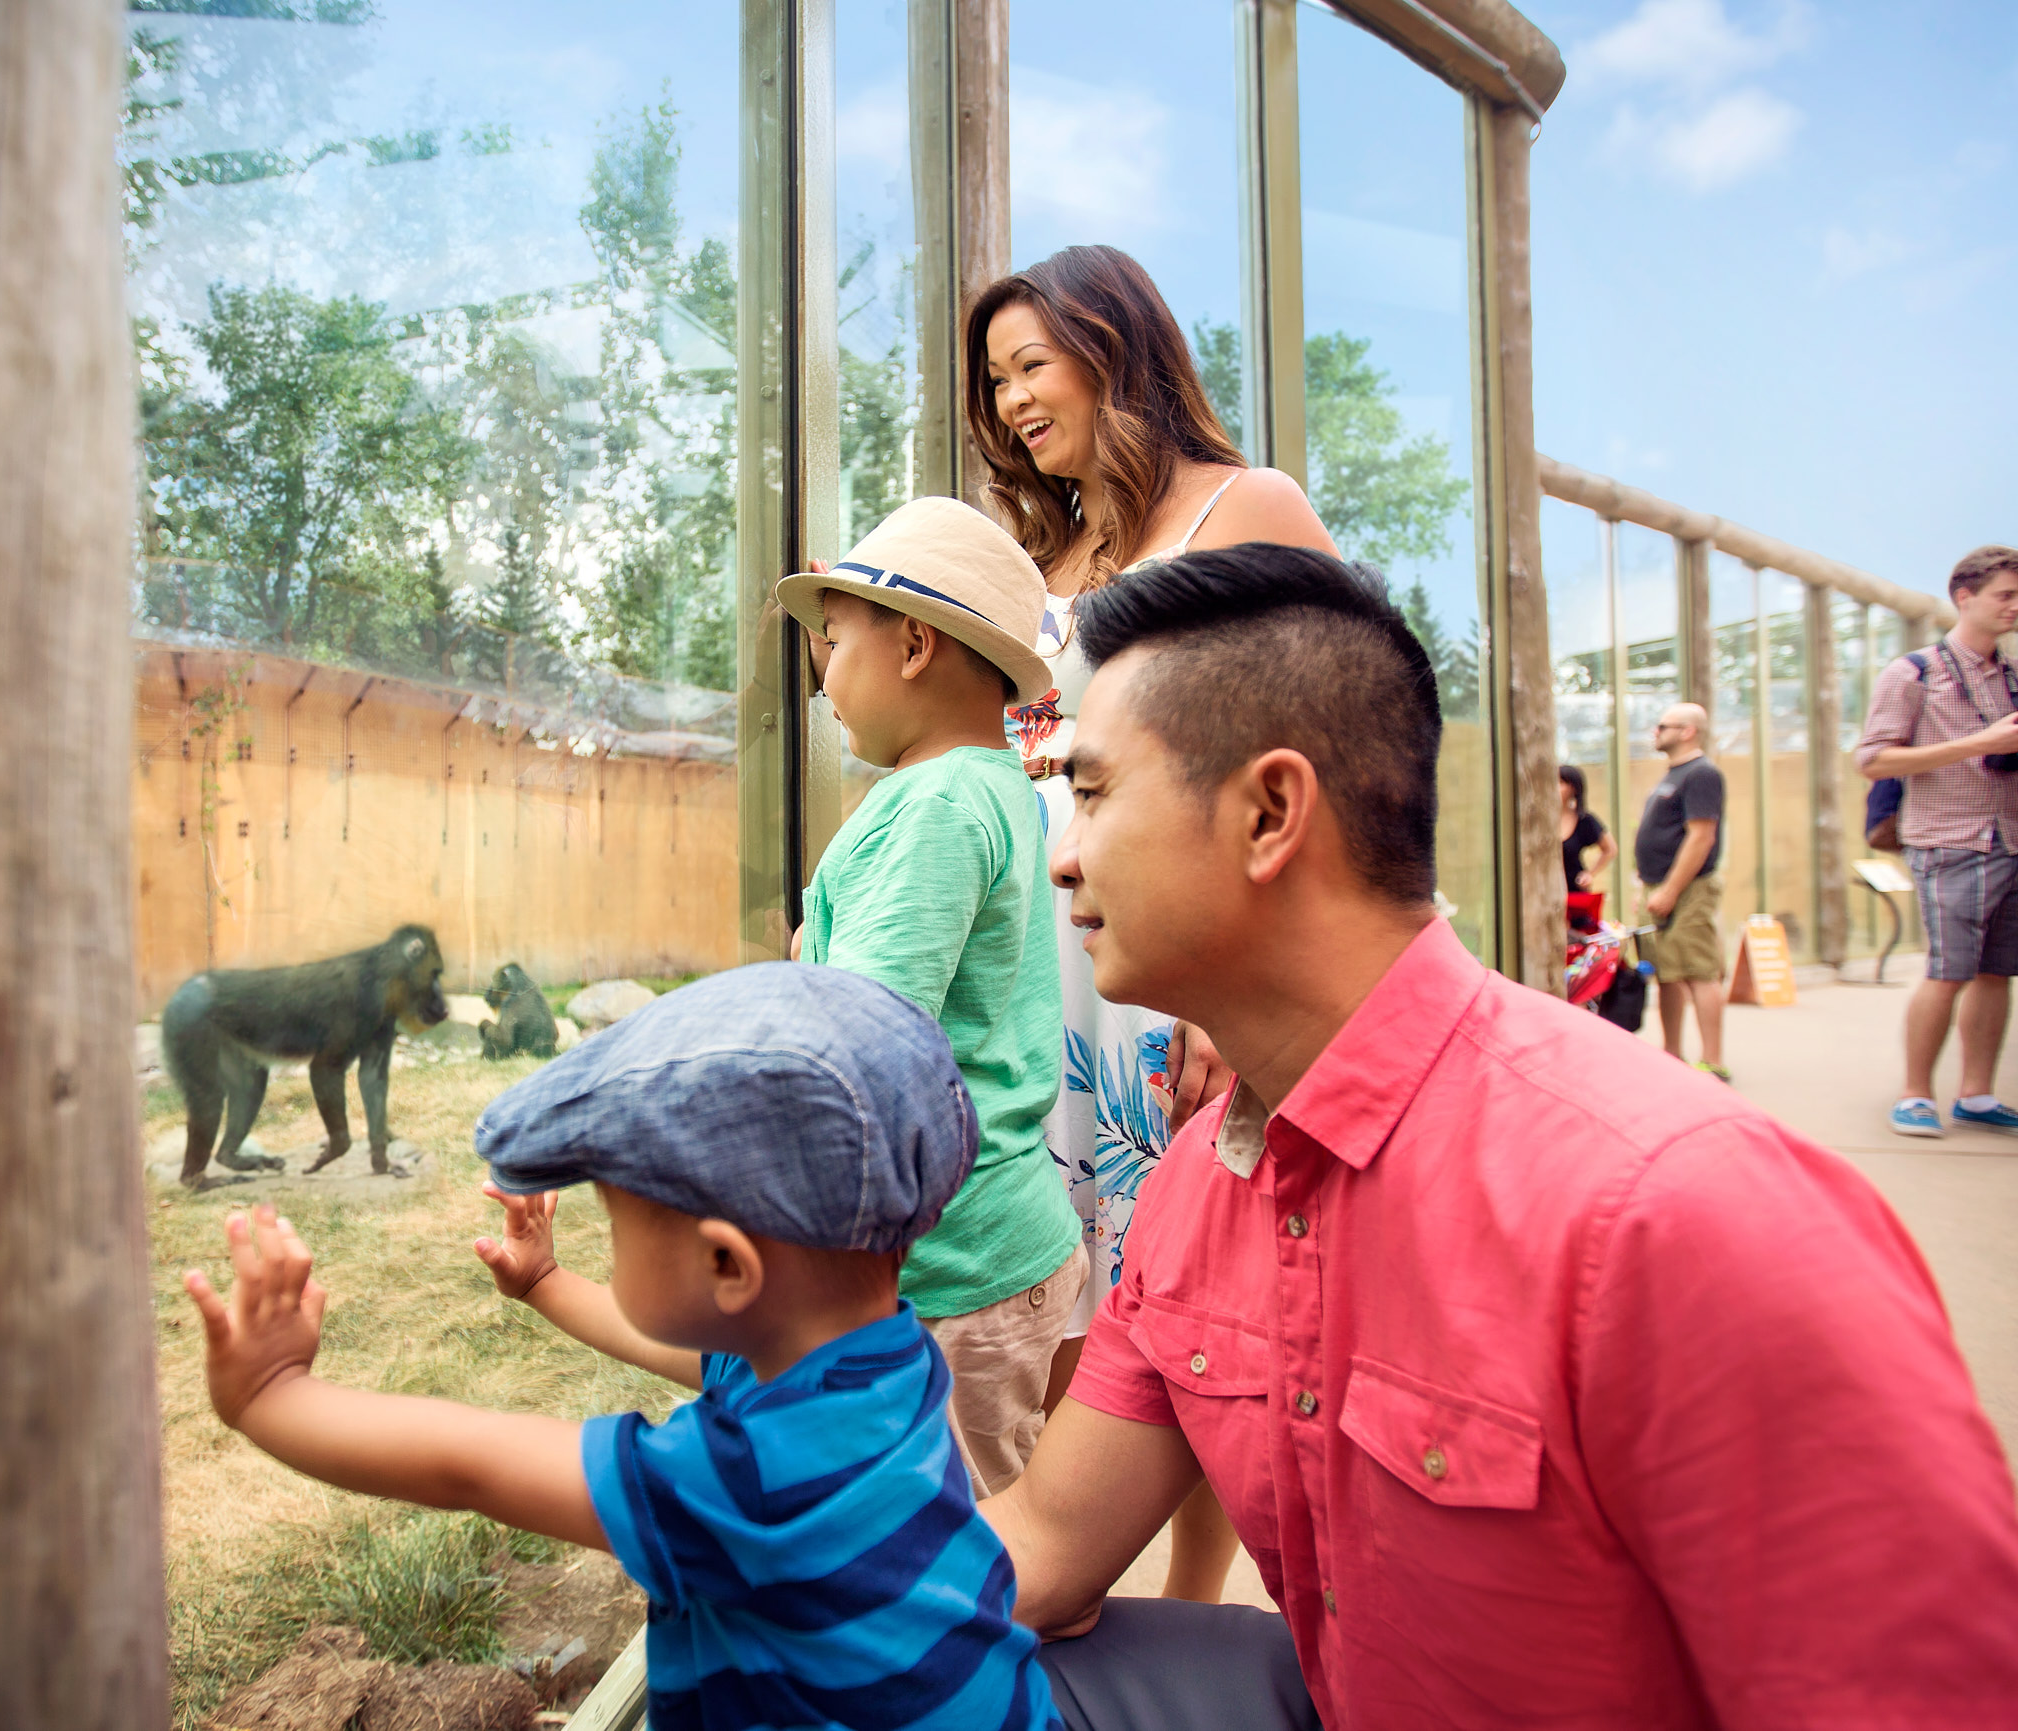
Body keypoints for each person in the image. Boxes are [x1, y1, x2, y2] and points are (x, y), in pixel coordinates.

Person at [976, 542, 2018, 1729]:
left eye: (1096, 794)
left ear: (1271, 813)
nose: (1062, 855)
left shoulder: (1681, 1214)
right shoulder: (1198, 1187)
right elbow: (1048, 1546)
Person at [188, 965, 1060, 1731]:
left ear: (727, 1262)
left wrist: (270, 1393)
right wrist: (544, 1283)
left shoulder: (752, 1481)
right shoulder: (886, 1361)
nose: (607, 1228)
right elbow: (705, 1361)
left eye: (616, 1214)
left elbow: (470, 1466)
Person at [967, 244, 1337, 1601]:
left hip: (1189, 958)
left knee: (1195, 1288)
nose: (1010, 403)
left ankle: (1192, 1605)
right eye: (993, 382)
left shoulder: (1248, 507)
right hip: (1048, 959)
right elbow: (1025, 766)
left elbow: (1326, 733)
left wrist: (1223, 1000)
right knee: (1077, 1280)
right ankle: (1091, 1586)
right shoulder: (1039, 557)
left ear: (1113, 346)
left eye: (1029, 366)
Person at [773, 496, 1086, 1497]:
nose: (822, 675)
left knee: (972, 1554)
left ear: (912, 644)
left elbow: (869, 1036)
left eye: (831, 640)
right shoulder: (996, 786)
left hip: (949, 1269)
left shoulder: (933, 808)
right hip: (1005, 1229)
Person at [1856, 543, 2018, 1138]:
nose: (2014, 608)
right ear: (1964, 596)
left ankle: (1976, 1094)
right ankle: (1916, 1093)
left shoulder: (2012, 676)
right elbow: (1872, 759)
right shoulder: (1914, 672)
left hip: (2010, 839)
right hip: (1947, 841)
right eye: (2005, 595)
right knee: (1948, 969)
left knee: (1998, 973)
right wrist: (1979, 745)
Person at [1635, 701, 1729, 1079]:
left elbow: (1701, 836)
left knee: (1697, 971)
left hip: (1687, 890)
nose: (1656, 733)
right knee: (1667, 973)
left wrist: (1671, 891)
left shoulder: (1702, 774)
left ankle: (1712, 1060)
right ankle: (1671, 1053)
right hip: (1658, 887)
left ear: (1688, 731)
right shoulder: (1673, 775)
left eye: (1663, 727)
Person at [1558, 763, 1614, 893]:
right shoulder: (1541, 822)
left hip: (1574, 893)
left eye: (1560, 783)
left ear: (1573, 789)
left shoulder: (1584, 820)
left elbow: (1610, 849)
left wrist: (1590, 874)